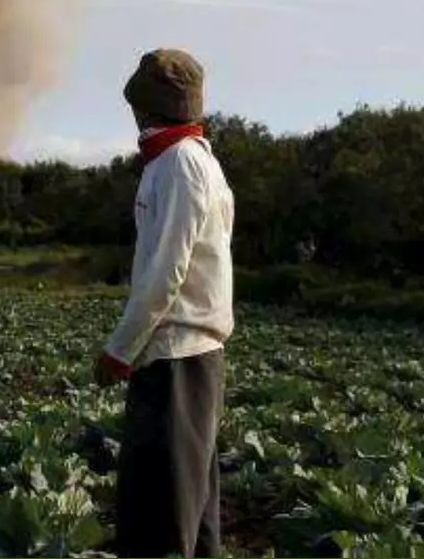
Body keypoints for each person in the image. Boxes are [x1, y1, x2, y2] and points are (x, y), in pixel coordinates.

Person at [93, 48, 235, 559]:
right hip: (189, 354)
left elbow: (163, 276)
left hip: (176, 356)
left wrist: (119, 350)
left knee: (163, 511)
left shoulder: (178, 165)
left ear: (145, 107)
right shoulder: (196, 161)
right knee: (191, 511)